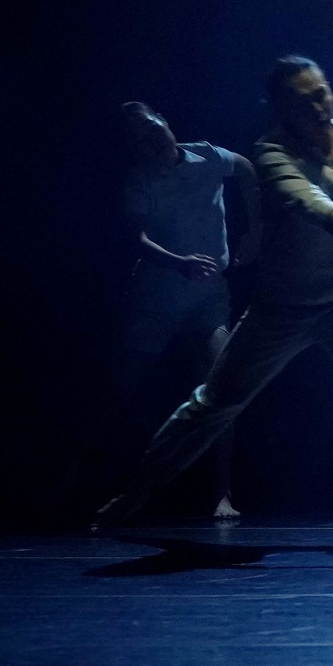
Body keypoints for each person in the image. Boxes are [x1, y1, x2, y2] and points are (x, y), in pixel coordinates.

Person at [95, 57, 333, 543]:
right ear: (280, 110)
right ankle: (139, 489)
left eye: (321, 94)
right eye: (302, 103)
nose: (317, 107)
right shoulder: (270, 153)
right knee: (214, 403)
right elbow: (314, 204)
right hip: (281, 308)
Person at [114, 101, 257, 519]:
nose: (151, 140)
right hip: (155, 300)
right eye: (140, 140)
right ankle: (85, 480)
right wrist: (179, 263)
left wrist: (257, 228)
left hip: (207, 300)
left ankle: (221, 494)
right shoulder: (139, 180)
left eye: (152, 128)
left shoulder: (206, 156)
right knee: (119, 391)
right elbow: (136, 239)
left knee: (222, 388)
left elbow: (246, 168)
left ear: (164, 120)